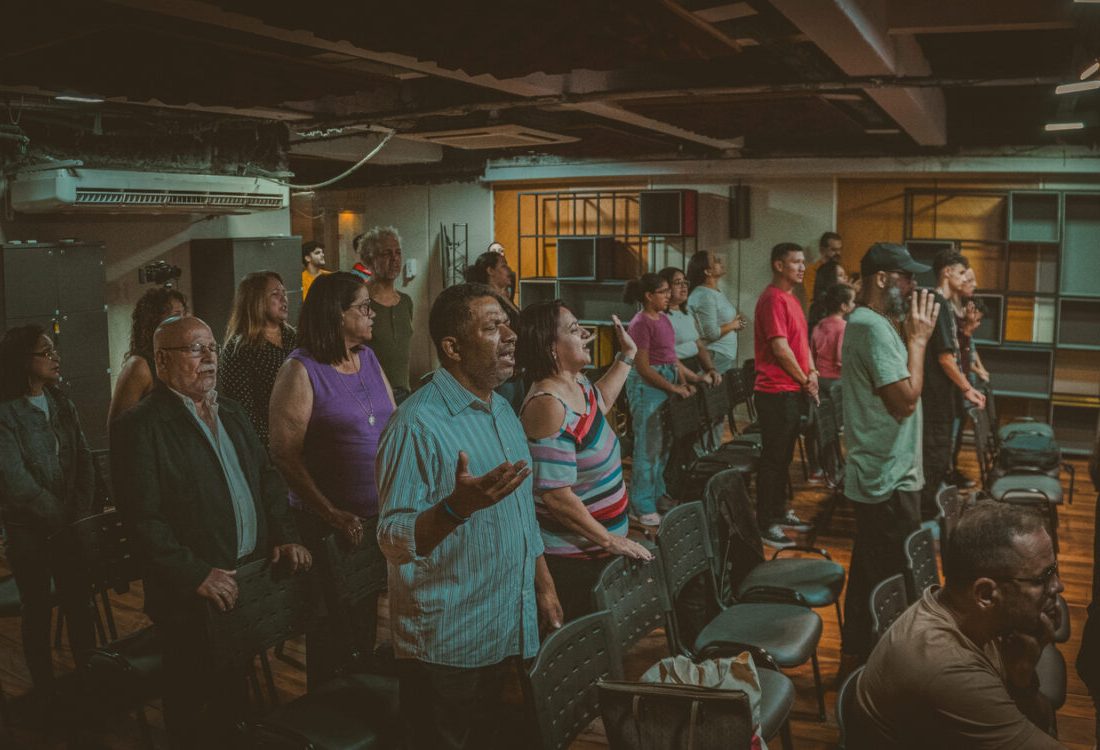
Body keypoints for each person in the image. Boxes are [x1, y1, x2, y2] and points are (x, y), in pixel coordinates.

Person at [376, 283, 562, 750]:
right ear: (452, 348)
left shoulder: (501, 408)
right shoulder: (416, 425)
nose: (511, 336)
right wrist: (457, 508)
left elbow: (522, 515)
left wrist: (544, 586)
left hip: (506, 620)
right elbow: (392, 540)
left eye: (508, 324)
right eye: (492, 327)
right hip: (448, 641)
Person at [110, 316, 311, 745]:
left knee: (233, 691)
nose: (209, 359)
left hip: (246, 578)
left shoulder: (231, 411)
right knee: (192, 698)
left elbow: (267, 478)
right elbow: (142, 519)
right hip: (192, 591)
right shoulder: (140, 426)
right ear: (162, 361)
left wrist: (286, 534)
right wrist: (195, 573)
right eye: (195, 349)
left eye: (212, 349)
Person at [850, 501, 1067, 749]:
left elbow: (1042, 725)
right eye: (1043, 577)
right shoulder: (946, 666)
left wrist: (1022, 677)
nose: (1058, 587)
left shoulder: (981, 618)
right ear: (985, 594)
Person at [269, 271, 395, 685]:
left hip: (372, 519)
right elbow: (284, 456)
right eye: (362, 307)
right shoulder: (300, 370)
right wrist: (332, 513)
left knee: (362, 627)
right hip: (327, 522)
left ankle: (358, 707)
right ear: (335, 315)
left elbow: (392, 426)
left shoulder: (369, 359)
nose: (371, 313)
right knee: (333, 631)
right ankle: (331, 717)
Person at [517, 301, 653, 622]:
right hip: (573, 557)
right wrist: (610, 540)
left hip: (596, 548)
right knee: (583, 646)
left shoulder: (576, 383)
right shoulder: (548, 404)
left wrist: (627, 355)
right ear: (551, 346)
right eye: (574, 329)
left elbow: (600, 402)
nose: (585, 334)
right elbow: (556, 497)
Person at [839, 242, 938, 664]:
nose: (913, 285)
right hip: (886, 478)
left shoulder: (875, 322)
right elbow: (906, 400)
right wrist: (918, 342)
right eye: (906, 276)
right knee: (891, 584)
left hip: (886, 472)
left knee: (870, 579)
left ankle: (858, 664)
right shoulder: (871, 327)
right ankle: (885, 672)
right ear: (882, 278)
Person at [0, 325, 95, 704]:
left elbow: (84, 458)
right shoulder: (6, 412)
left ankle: (91, 680)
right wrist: (61, 518)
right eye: (46, 352)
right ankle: (45, 692)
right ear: (24, 360)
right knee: (37, 608)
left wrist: (80, 512)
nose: (56, 358)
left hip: (70, 522)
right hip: (30, 531)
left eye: (55, 350)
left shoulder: (59, 400)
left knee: (79, 602)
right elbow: (16, 482)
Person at [624, 273, 703, 526]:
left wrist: (683, 383)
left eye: (669, 290)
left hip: (665, 381)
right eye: (663, 291)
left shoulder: (664, 319)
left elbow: (672, 359)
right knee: (647, 448)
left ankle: (657, 495)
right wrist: (672, 387)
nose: (669, 295)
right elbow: (644, 367)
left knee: (662, 447)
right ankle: (640, 504)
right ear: (649, 296)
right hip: (648, 386)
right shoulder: (640, 323)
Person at [753, 243, 817, 548]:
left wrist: (812, 373)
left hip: (792, 389)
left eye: (803, 262)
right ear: (779, 265)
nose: (802, 267)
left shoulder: (791, 298)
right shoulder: (772, 299)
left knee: (783, 459)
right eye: (796, 262)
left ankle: (778, 511)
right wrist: (806, 380)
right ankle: (765, 523)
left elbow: (801, 345)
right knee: (773, 460)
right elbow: (780, 349)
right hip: (775, 392)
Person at [921, 249, 985, 520]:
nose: (965, 278)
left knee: (939, 455)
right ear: (946, 272)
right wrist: (966, 387)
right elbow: (946, 358)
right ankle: (925, 516)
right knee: (934, 457)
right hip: (935, 397)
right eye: (960, 272)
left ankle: (929, 510)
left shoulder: (945, 304)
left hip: (941, 396)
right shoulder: (937, 301)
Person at [219, 271, 296, 447]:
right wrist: (272, 441)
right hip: (268, 445)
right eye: (275, 294)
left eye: (284, 293)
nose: (284, 299)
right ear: (256, 300)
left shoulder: (295, 338)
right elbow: (243, 409)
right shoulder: (240, 349)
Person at [107, 286, 188, 423]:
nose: (184, 322)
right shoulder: (140, 365)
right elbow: (117, 426)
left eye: (184, 315)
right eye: (176, 315)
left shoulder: (178, 358)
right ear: (154, 322)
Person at [360, 226, 414, 401]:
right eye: (386, 254)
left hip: (403, 395)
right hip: (371, 396)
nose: (394, 259)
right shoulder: (359, 301)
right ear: (370, 259)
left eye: (398, 253)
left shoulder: (405, 302)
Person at [467, 250, 523, 410]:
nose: (509, 270)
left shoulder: (504, 297)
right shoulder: (487, 301)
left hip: (515, 370)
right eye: (503, 265)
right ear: (490, 271)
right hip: (500, 373)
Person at [686, 250, 745, 374]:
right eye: (715, 261)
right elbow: (711, 333)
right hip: (714, 355)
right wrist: (734, 325)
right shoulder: (705, 296)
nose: (720, 262)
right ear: (708, 271)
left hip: (721, 355)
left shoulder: (713, 292)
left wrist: (735, 323)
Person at [659, 266, 721, 379]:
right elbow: (668, 357)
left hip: (694, 367)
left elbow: (699, 345)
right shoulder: (660, 317)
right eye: (678, 282)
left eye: (685, 282)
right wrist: (693, 379)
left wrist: (711, 369)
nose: (683, 286)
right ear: (665, 287)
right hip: (674, 372)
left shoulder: (687, 314)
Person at [810, 282, 856, 389]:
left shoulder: (819, 325)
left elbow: (812, 352)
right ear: (844, 306)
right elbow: (841, 357)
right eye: (853, 301)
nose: (854, 304)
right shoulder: (844, 327)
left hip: (820, 378)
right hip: (837, 380)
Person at [802, 231, 843, 312]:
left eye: (840, 249)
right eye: (834, 250)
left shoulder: (839, 269)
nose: (838, 253)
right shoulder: (811, 271)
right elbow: (813, 298)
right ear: (822, 250)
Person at [808, 259, 850, 331]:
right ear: (830, 279)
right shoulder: (820, 307)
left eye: (845, 275)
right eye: (840, 275)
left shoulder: (844, 300)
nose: (846, 279)